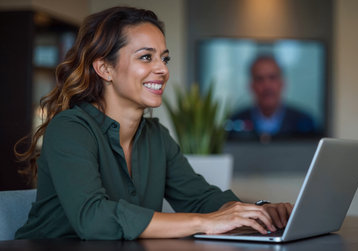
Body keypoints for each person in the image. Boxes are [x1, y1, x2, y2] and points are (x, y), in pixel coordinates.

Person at [13, 7, 293, 240]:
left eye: (164, 58)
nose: (162, 69)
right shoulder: (70, 128)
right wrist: (204, 223)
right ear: (105, 68)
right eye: (146, 57)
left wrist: (258, 212)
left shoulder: (155, 136)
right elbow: (94, 218)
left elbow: (200, 198)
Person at [228, 55, 315, 141]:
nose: (267, 86)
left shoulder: (305, 122)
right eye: (259, 79)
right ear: (251, 86)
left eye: (272, 78)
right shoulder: (234, 122)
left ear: (282, 83)